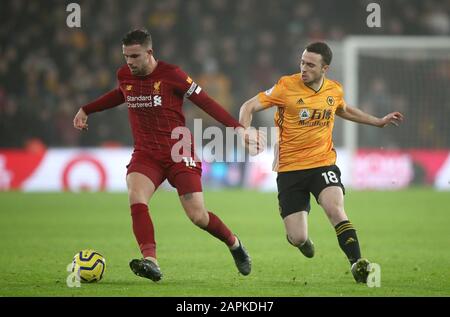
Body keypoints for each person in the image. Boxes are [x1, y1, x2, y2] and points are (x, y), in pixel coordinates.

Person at [73, 29, 255, 282]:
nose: (130, 62)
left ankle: (235, 244)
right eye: (126, 56)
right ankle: (151, 260)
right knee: (136, 197)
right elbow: (120, 93)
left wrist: (237, 128)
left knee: (197, 216)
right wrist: (86, 110)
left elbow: (206, 102)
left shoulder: (173, 75)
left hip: (178, 151)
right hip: (146, 153)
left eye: (135, 56)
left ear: (149, 53)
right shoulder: (124, 75)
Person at [239, 42, 404, 283]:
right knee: (297, 237)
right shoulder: (285, 86)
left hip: (322, 163)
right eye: (302, 62)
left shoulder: (334, 90)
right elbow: (248, 106)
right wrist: (244, 131)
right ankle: (302, 241)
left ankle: (358, 264)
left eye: (310, 64)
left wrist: (377, 121)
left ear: (324, 68)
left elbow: (344, 110)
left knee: (335, 209)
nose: (303, 68)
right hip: (290, 168)